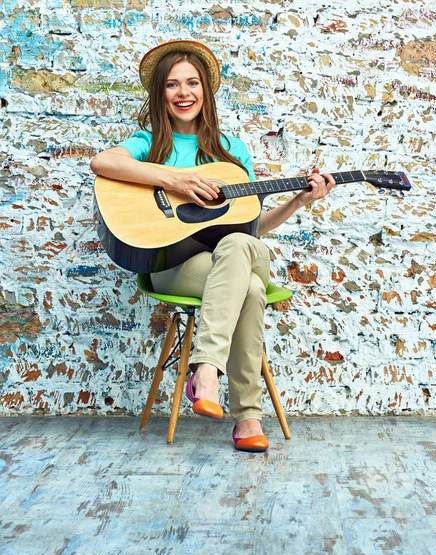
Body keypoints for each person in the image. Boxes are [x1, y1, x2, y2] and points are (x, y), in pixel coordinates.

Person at [90, 40, 335, 452]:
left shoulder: (231, 152)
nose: (183, 93)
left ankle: (205, 372)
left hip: (230, 258)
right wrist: (174, 180)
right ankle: (246, 417)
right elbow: (102, 163)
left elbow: (251, 227)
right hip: (172, 264)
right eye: (172, 85)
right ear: (160, 94)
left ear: (206, 90)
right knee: (252, 289)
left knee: (240, 245)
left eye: (192, 83)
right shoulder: (148, 144)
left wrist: (297, 201)